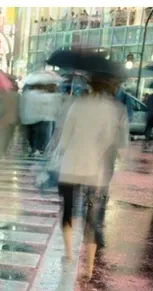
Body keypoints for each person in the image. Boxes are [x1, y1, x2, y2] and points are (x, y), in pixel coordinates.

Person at [56, 74, 129, 280]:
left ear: (88, 85)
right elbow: (114, 141)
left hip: (71, 166)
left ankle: (69, 254)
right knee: (92, 218)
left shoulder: (77, 105)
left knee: (68, 211)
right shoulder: (114, 109)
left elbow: (64, 139)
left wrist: (62, 152)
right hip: (95, 170)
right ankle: (88, 269)